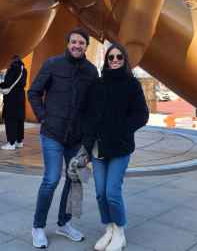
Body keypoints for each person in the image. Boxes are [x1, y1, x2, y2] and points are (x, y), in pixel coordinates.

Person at [28, 28, 98, 249]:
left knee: (73, 179)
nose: (78, 46)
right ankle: (38, 226)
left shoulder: (91, 71)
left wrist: (89, 138)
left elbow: (93, 107)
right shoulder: (53, 64)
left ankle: (63, 223)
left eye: (82, 43)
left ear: (86, 46)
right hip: (52, 133)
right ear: (68, 44)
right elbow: (34, 92)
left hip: (76, 137)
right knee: (51, 179)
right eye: (74, 42)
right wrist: (43, 117)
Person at [82, 43, 149, 251]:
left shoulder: (132, 85)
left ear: (124, 60)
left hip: (120, 147)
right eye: (111, 57)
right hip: (97, 149)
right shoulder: (98, 84)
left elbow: (142, 115)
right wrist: (86, 144)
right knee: (100, 193)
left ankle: (120, 231)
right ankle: (109, 228)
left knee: (112, 191)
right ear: (106, 60)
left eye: (119, 57)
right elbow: (89, 116)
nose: (115, 60)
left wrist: (122, 129)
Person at [0, 55, 27, 150]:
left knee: (10, 120)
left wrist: (1, 85)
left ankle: (11, 143)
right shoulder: (24, 70)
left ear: (12, 61)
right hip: (21, 96)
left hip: (12, 97)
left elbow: (7, 83)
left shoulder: (12, 70)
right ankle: (19, 141)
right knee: (20, 119)